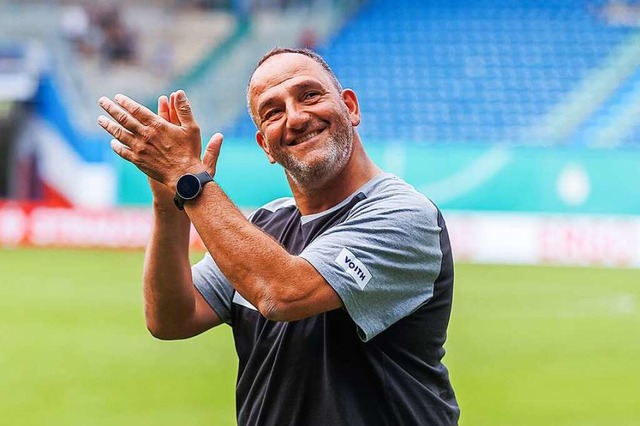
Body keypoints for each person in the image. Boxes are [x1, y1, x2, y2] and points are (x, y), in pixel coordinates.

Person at [97, 47, 460, 425]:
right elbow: (171, 318)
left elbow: (282, 292)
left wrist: (190, 179)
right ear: (265, 146)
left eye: (309, 95)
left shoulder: (403, 215)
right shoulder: (265, 225)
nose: (297, 117)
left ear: (350, 107)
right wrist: (167, 203)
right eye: (273, 112)